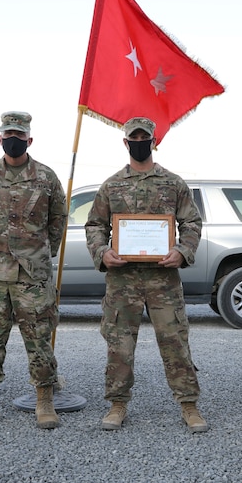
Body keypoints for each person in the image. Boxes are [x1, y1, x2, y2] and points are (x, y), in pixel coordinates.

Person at [84, 117, 208, 433]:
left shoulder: (173, 183)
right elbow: (95, 225)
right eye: (134, 138)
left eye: (145, 137)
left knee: (175, 341)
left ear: (153, 141)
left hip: (162, 279)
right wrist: (102, 252)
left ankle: (189, 405)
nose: (139, 142)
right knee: (119, 343)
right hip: (122, 280)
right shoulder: (111, 186)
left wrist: (182, 251)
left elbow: (192, 223)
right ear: (126, 143)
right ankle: (117, 404)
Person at [0, 111, 68, 431]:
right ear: (0, 138)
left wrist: (38, 253)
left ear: (29, 140)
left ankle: (45, 400)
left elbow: (57, 221)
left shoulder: (46, 177)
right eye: (9, 134)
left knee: (39, 340)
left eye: (19, 136)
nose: (13, 140)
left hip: (32, 275)